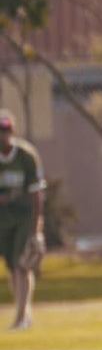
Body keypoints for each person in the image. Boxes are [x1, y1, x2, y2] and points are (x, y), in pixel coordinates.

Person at [0, 110, 46, 332]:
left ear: (12, 131)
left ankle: (22, 317)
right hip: (3, 220)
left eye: (5, 130)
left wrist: (36, 231)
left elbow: (36, 194)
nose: (2, 135)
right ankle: (22, 313)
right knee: (12, 265)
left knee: (22, 264)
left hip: (23, 217)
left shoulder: (26, 156)